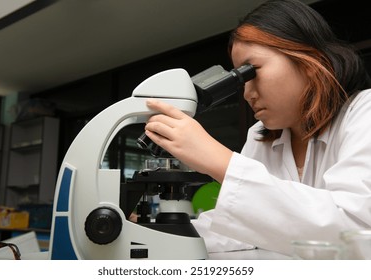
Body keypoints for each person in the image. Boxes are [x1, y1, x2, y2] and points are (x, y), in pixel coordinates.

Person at [143, 0, 371, 256]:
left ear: (308, 61)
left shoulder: (365, 113)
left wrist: (219, 161)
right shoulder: (259, 135)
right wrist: (148, 237)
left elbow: (356, 232)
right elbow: (242, 226)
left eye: (252, 72)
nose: (247, 93)